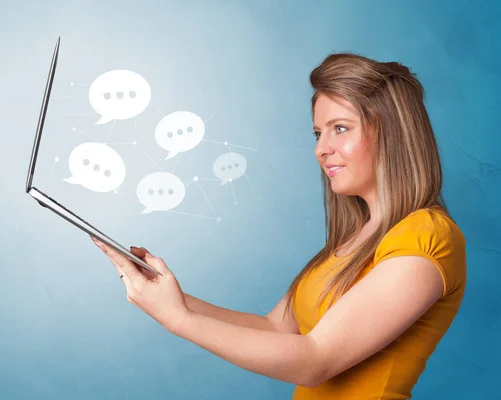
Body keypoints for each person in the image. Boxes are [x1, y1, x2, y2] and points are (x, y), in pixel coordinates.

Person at [91, 52, 466, 400]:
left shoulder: (428, 235)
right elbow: (273, 329)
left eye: (340, 128)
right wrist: (168, 294)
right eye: (318, 133)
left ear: (392, 133)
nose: (321, 148)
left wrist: (178, 319)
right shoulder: (354, 239)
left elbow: (316, 360)